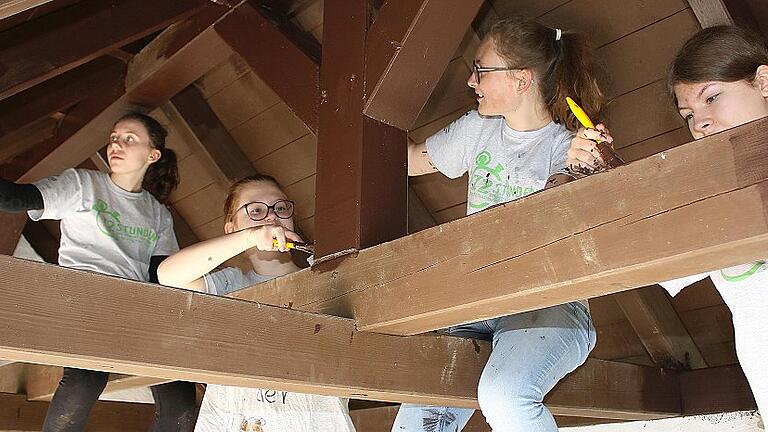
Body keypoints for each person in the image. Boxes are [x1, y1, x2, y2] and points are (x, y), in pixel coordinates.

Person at [395, 17, 602, 432]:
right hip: (476, 303)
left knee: (505, 397)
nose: (472, 81)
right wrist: (364, 120)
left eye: (481, 70)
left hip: (548, 306)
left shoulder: (569, 148)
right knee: (418, 419)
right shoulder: (479, 128)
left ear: (522, 79)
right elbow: (411, 159)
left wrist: (590, 171)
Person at [567, 25, 768, 417]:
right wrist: (601, 172)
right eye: (689, 114)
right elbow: (655, 249)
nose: (700, 123)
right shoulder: (713, 188)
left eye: (712, 98)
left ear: (763, 82)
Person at [0, 112, 196, 431]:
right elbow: (13, 198)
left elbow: (162, 275)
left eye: (129, 138)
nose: (116, 144)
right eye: (114, 137)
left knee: (180, 400)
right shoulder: (82, 185)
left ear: (153, 154)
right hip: (83, 303)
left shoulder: (158, 214)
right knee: (84, 382)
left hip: (135, 309)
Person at [157, 174, 356, 432]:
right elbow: (169, 276)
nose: (271, 217)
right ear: (231, 230)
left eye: (280, 208)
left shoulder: (323, 277)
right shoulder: (230, 284)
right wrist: (251, 238)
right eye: (256, 211)